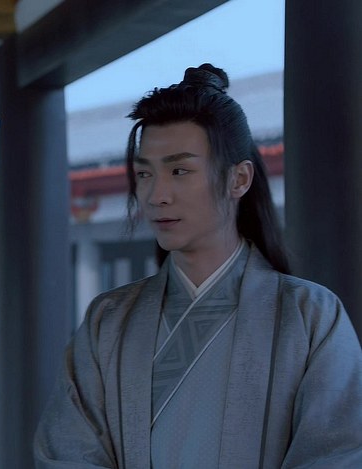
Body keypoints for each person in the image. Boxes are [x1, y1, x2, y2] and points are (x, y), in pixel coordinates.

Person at [34, 64, 362, 468]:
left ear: (238, 179)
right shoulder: (109, 319)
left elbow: (338, 454)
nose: (156, 195)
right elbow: (66, 452)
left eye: (179, 171)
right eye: (144, 173)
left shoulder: (309, 315)